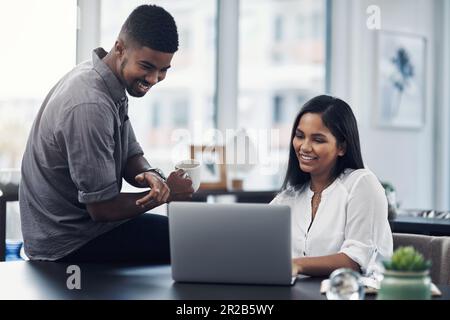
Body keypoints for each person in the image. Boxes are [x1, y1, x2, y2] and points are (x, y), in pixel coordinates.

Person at [19, 4, 193, 263]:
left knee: (188, 237)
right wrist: (166, 194)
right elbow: (101, 208)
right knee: (190, 244)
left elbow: (131, 156)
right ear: (120, 48)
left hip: (86, 230)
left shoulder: (107, 82)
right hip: (68, 244)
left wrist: (153, 177)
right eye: (147, 66)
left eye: (163, 69)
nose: (154, 78)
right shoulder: (90, 104)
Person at [271, 95, 393, 276]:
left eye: (318, 140)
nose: (304, 147)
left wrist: (294, 264)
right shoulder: (289, 197)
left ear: (342, 147)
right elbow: (257, 244)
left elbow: (355, 261)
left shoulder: (362, 184)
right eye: (299, 136)